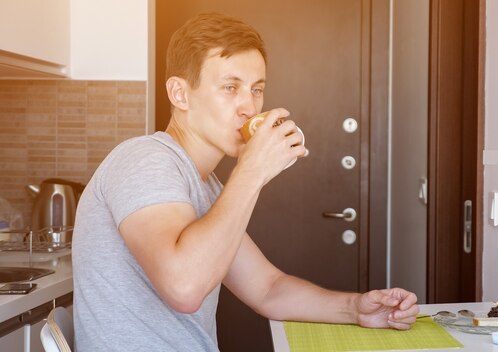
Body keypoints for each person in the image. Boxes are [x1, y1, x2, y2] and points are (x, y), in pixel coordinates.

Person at [72, 12, 419, 351]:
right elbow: (183, 288)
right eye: (229, 87)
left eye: (256, 89)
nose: (249, 108)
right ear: (180, 94)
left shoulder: (207, 187)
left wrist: (356, 308)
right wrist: (252, 171)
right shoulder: (145, 160)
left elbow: (268, 288)